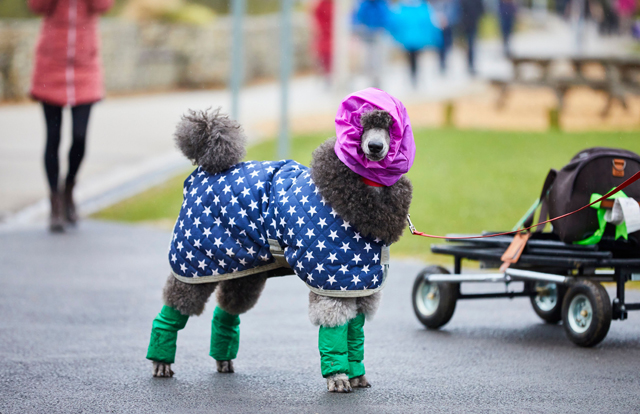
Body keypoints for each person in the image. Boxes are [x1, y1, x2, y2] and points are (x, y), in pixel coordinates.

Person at [28, 0, 113, 232]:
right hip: (51, 65)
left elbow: (104, 5)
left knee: (79, 136)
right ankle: (54, 202)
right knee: (53, 137)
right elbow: (36, 6)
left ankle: (68, 189)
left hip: (85, 67)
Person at [386, 0, 442, 87]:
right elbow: (427, 21)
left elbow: (396, 22)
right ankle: (415, 76)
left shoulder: (402, 7)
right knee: (415, 58)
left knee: (411, 58)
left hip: (408, 39)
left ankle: (413, 76)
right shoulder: (420, 6)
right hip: (416, 39)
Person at [353, 0, 389, 88]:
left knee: (377, 58)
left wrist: (381, 27)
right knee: (368, 58)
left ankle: (377, 79)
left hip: (378, 34)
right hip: (367, 34)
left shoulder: (381, 4)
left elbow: (385, 17)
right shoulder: (364, 4)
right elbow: (358, 17)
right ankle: (370, 79)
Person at [429, 0, 460, 73]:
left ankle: (445, 61)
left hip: (447, 25)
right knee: (440, 45)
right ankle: (441, 62)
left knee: (447, 44)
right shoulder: (434, 3)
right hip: (438, 25)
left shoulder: (450, 3)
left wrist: (447, 20)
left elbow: (454, 11)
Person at [458, 0, 484, 76]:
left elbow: (481, 10)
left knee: (470, 45)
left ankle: (470, 64)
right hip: (467, 24)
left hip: (470, 24)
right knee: (469, 45)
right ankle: (470, 64)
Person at [313, 0, 333, 80]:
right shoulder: (321, 5)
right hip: (325, 36)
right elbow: (318, 19)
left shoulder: (333, 5)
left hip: (331, 37)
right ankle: (326, 76)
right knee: (325, 56)